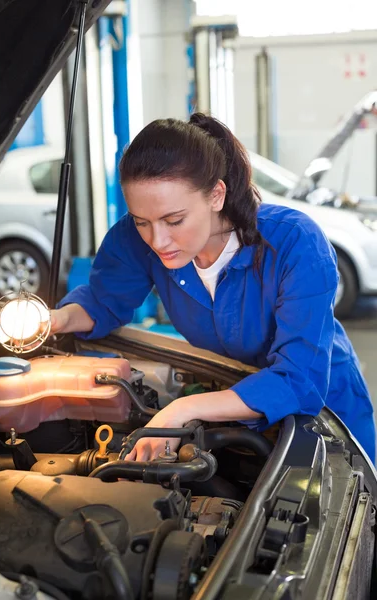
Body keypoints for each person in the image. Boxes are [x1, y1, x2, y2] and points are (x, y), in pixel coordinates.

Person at [51, 113, 376, 463]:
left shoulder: (295, 243)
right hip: (231, 398)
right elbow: (102, 301)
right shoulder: (135, 238)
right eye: (142, 221)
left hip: (328, 417)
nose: (158, 240)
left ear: (216, 195)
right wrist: (54, 320)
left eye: (174, 220)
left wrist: (180, 410)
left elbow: (299, 380)